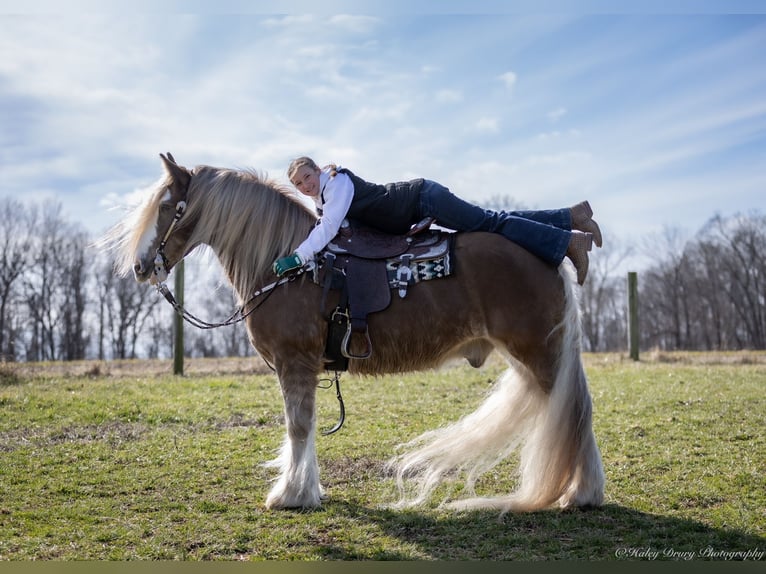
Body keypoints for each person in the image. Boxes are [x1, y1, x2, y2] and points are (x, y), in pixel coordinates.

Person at [273, 157, 602, 285]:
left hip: (423, 197)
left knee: (492, 224)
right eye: (299, 185)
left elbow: (329, 228)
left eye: (307, 177)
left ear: (317, 171)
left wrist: (298, 256)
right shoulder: (324, 198)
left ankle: (568, 242)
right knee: (493, 220)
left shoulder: (338, 185)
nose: (305, 186)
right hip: (419, 202)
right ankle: (572, 216)